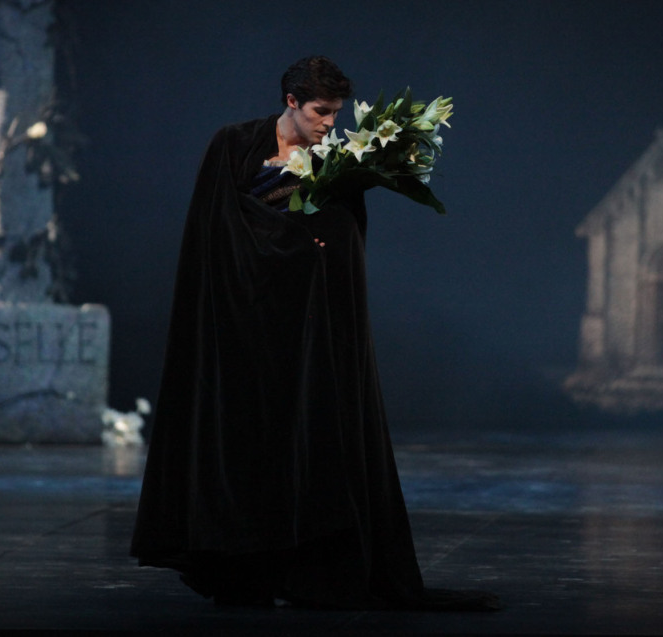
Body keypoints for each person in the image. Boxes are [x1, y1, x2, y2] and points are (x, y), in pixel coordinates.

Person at [130, 56, 497, 611]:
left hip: (302, 331)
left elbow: (341, 240)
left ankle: (310, 567)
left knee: (305, 437)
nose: (329, 123)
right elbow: (216, 229)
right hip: (240, 325)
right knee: (244, 443)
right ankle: (241, 567)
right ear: (291, 103)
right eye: (321, 112)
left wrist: (312, 245)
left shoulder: (338, 161)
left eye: (336, 113)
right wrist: (284, 239)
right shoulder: (233, 145)